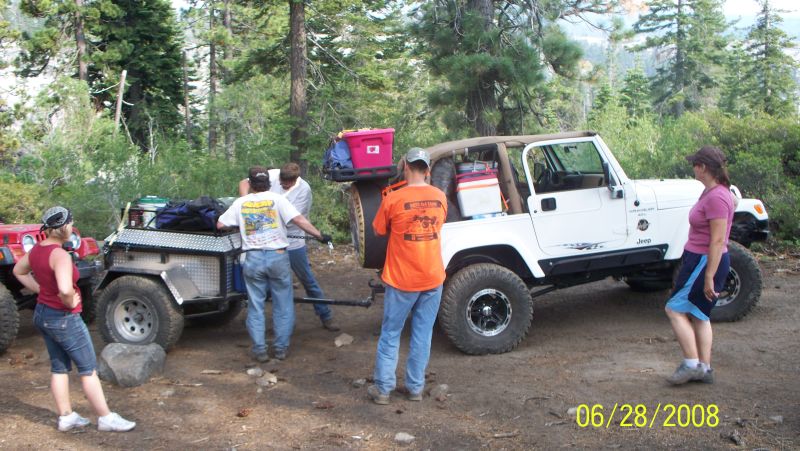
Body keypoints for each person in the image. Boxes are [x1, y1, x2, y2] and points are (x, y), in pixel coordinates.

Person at [12, 207, 136, 432]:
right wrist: (69, 301)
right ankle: (106, 417)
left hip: (43, 313)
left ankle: (66, 416)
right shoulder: (59, 255)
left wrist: (40, 290)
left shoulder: (38, 249)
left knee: (59, 367)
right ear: (64, 227)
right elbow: (65, 289)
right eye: (71, 222)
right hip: (63, 317)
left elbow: (19, 271)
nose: (72, 225)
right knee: (88, 369)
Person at [219, 167, 331, 362]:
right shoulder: (278, 200)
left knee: (256, 305)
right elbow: (299, 220)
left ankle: (260, 349)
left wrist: (241, 222)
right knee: (283, 304)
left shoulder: (241, 202)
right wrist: (320, 235)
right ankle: (280, 348)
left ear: (251, 184)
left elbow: (220, 224)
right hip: (277, 256)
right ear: (270, 184)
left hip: (253, 258)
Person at [367, 148, 448, 405]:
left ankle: (383, 390)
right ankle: (415, 388)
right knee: (422, 334)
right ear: (428, 170)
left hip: (402, 279)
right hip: (432, 277)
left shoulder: (393, 198)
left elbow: (378, 230)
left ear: (405, 166)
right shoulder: (440, 197)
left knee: (391, 333)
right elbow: (438, 225)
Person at [664, 146, 736, 385]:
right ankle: (704, 369)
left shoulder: (716, 197)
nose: (692, 168)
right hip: (703, 260)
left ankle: (691, 364)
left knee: (674, 309)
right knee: (699, 313)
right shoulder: (713, 192)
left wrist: (708, 276)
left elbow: (717, 240)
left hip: (704, 261)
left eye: (694, 164)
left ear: (703, 167)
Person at [239, 163, 339, 332]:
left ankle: (325, 315)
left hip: (292, 242)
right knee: (266, 279)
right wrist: (245, 202)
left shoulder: (304, 190)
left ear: (295, 180)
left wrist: (319, 235)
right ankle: (269, 321)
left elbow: (294, 219)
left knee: (307, 279)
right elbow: (244, 183)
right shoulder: (272, 174)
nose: (284, 185)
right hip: (268, 241)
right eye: (282, 182)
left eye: (287, 183)